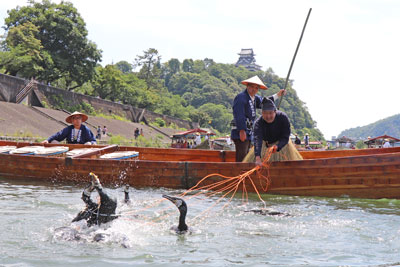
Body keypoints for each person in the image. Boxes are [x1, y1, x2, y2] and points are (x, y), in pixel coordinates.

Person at [231, 75, 286, 162]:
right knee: (242, 156)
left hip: (248, 132)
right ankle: (240, 173)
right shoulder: (241, 97)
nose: (254, 89)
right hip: (241, 131)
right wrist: (241, 130)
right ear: (247, 86)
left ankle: (243, 172)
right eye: (252, 87)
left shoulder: (254, 98)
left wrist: (278, 95)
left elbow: (266, 101)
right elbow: (239, 115)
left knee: (245, 154)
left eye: (256, 88)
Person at [253, 98, 301, 165]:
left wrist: (278, 146)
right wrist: (258, 158)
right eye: (265, 113)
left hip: (282, 145)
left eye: (270, 113)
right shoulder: (258, 123)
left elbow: (285, 136)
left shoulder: (283, 118)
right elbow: (257, 140)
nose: (268, 116)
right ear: (262, 113)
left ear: (275, 112)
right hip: (265, 146)